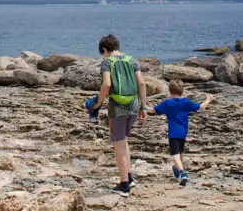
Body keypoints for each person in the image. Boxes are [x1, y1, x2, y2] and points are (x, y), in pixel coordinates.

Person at [88, 33, 147, 197]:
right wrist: (144, 106)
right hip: (134, 105)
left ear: (105, 50)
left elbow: (106, 84)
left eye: (103, 52)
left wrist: (98, 103)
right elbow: (141, 83)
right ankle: (129, 176)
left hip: (118, 106)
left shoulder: (107, 62)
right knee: (124, 142)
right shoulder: (132, 60)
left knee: (118, 146)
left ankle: (124, 186)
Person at [147, 80, 213, 186]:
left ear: (169, 91)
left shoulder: (168, 103)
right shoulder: (186, 102)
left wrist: (141, 106)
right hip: (183, 132)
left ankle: (183, 173)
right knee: (180, 153)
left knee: (175, 155)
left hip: (173, 133)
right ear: (182, 91)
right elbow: (201, 107)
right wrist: (208, 99)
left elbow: (152, 110)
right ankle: (176, 168)